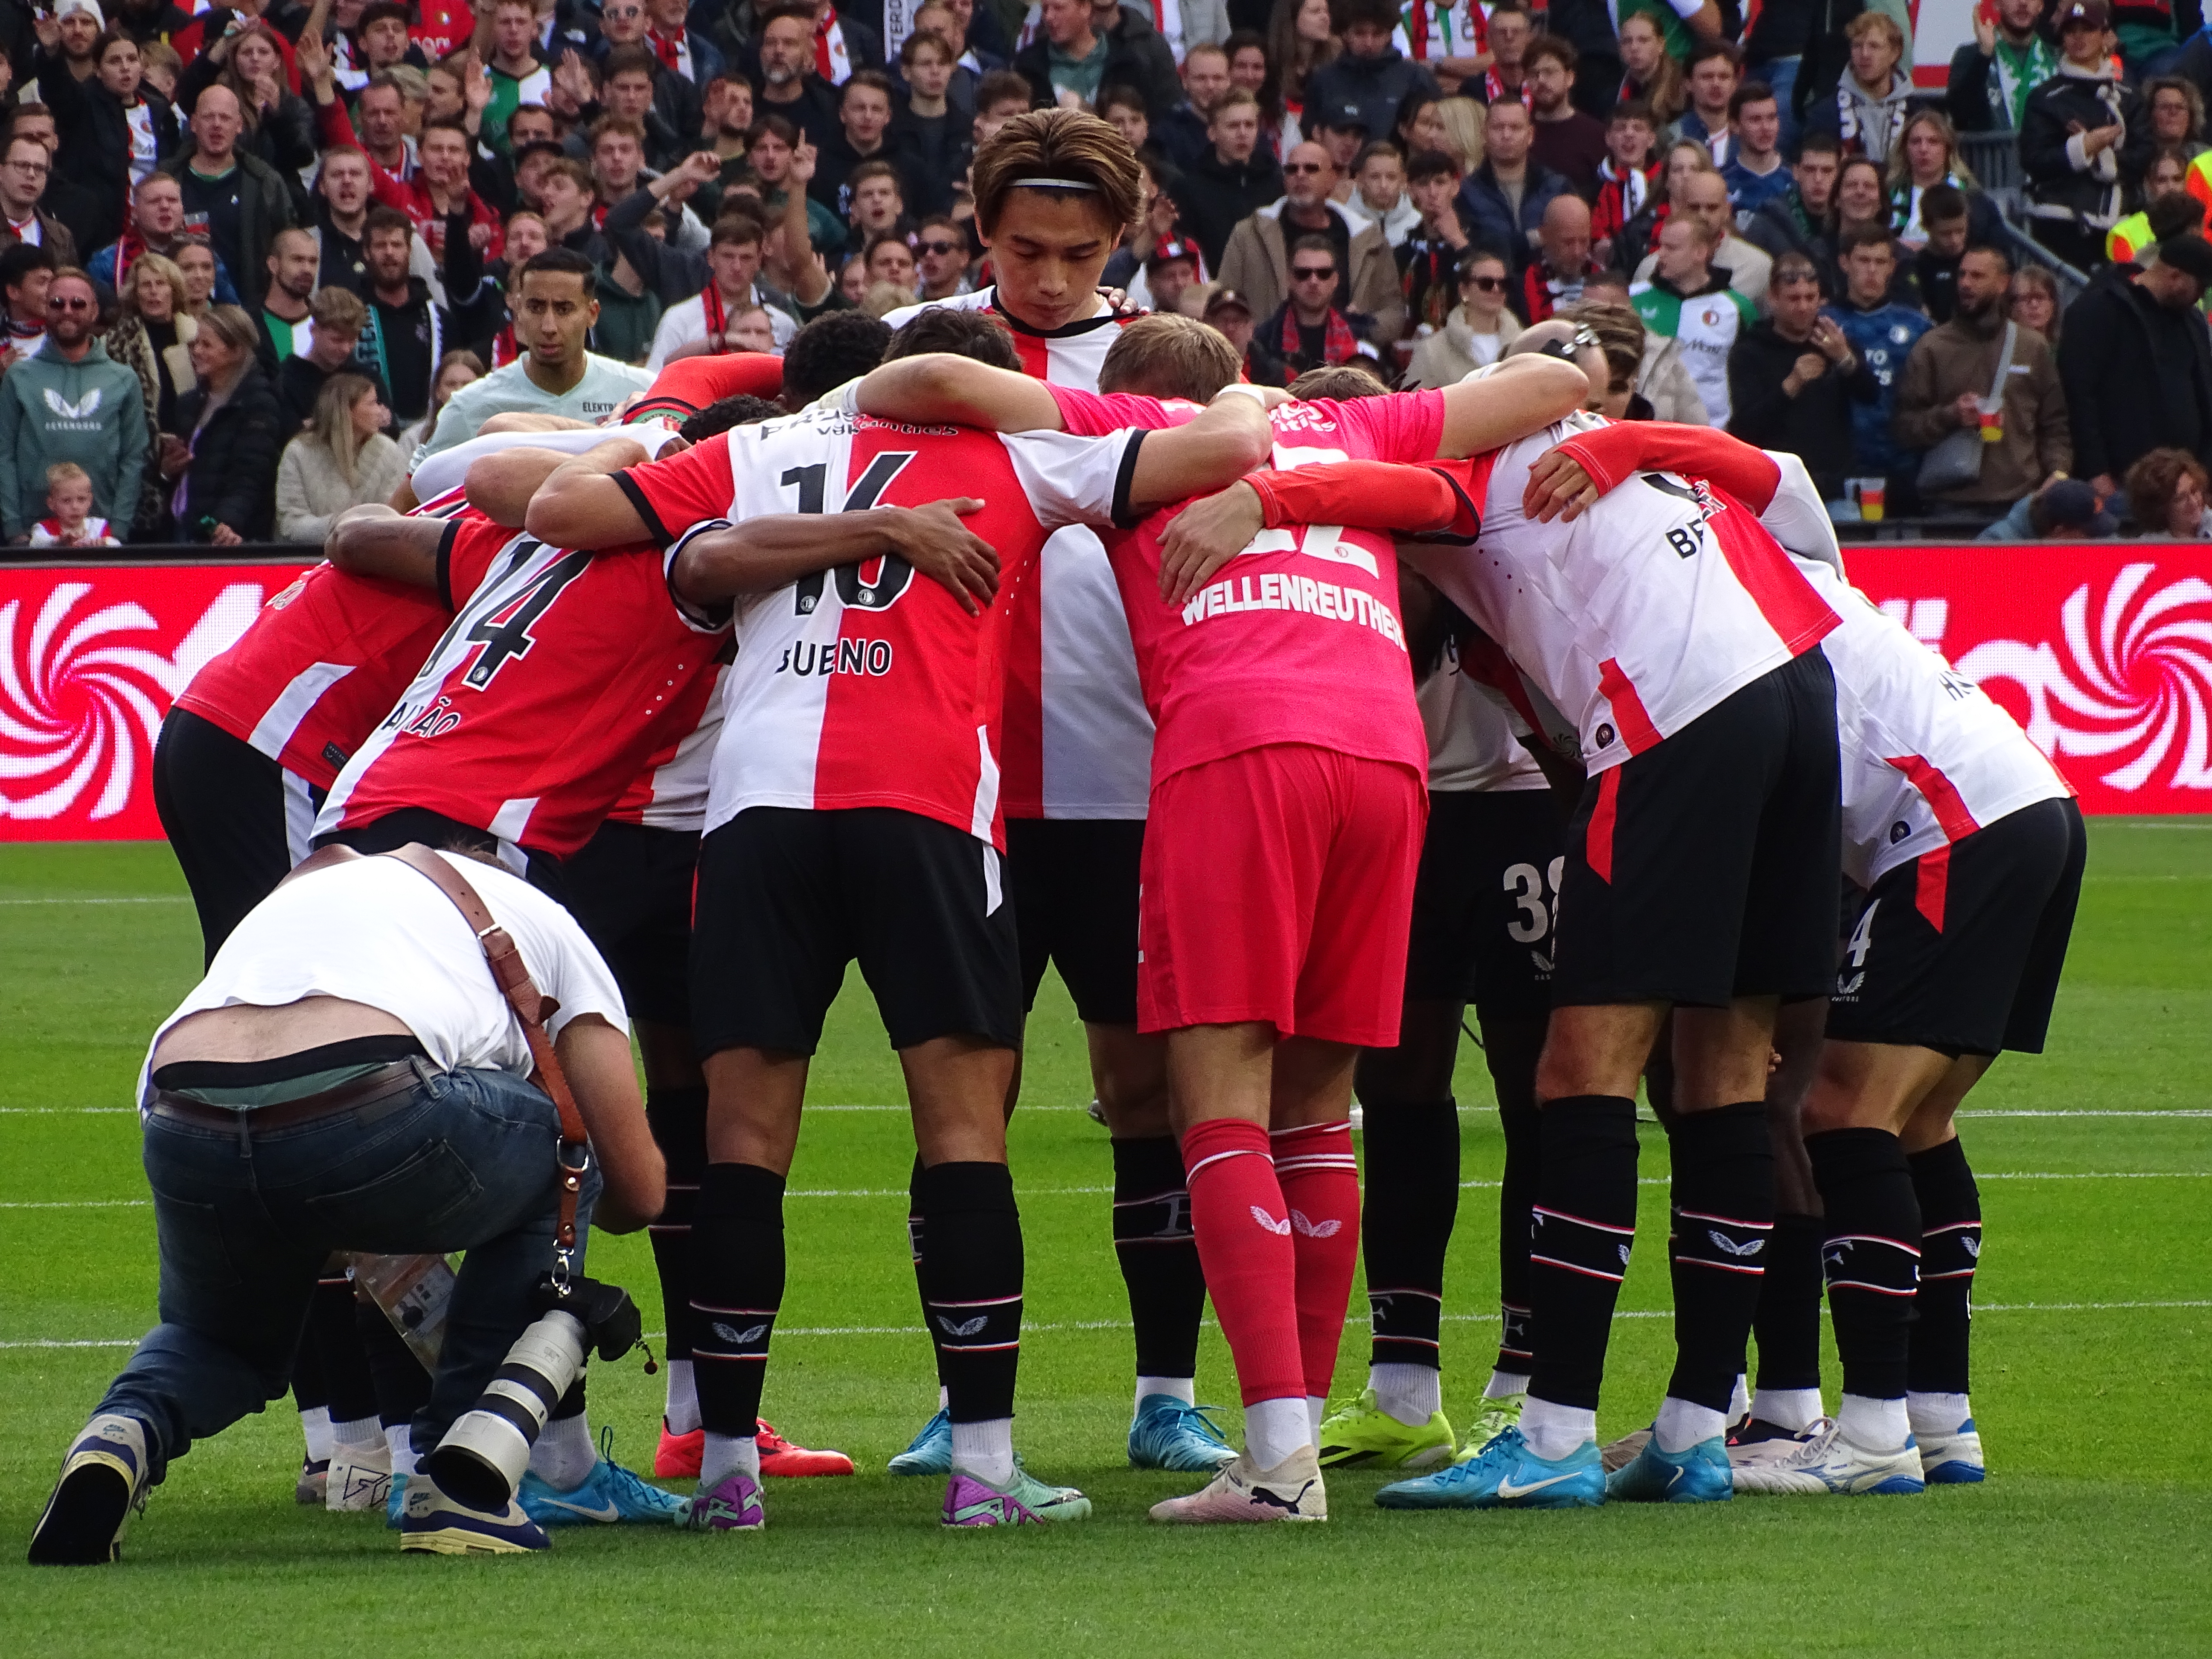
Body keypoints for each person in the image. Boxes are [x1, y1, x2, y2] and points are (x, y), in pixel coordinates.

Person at [519, 318, 1275, 1533]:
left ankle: (726, 1477)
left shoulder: (768, 444)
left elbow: (563, 513)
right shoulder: (1024, 448)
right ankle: (983, 1474)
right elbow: (1223, 445)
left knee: (743, 1144)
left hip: (758, 812)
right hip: (926, 804)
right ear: (986, 385)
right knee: (964, 1134)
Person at [852, 317, 1592, 1524]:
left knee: (1219, 1099)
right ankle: (1288, 1443)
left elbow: (933, 380)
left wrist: (823, 394)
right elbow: (1558, 378)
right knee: (1317, 1108)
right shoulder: (1351, 423)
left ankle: (1276, 1459)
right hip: (1387, 765)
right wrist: (1304, 489)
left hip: (1239, 747)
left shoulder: (1132, 428)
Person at [1165, 321, 1847, 1516]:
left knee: (1583, 1068)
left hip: (1677, 706)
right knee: (1724, 1071)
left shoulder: (1471, 473)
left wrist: (1266, 498)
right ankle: (1694, 1428)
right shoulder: (1581, 443)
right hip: (1796, 681)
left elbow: (1406, 482)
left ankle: (1551, 1436)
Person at [871, 111, 1245, 1479]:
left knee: (1145, 1091)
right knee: (961, 1101)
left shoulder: (1162, 364)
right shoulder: (925, 352)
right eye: (1024, 250)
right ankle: (957, 1402)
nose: (1047, 277)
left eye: (1077, 254)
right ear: (979, 234)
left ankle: (1165, 1389)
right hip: (953, 787)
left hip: (1127, 782)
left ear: (1122, 246)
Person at [23, 824, 664, 1563]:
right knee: (566, 1147)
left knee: (221, 1337)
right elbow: (636, 1189)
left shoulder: (311, 890)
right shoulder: (537, 914)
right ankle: (458, 1478)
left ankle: (122, 1429)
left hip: (183, 1114)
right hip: (369, 1097)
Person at [410, 247, 654, 469]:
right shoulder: (469, 407)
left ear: (592, 314)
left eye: (564, 309)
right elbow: (415, 493)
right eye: (536, 308)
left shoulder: (642, 391)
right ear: (518, 308)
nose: (549, 327)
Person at [1893, 244, 2072, 520]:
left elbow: (2055, 424)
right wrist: (1951, 415)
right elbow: (1904, 429)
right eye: (1962, 275)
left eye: (1977, 277)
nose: (1965, 284)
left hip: (2021, 504)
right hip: (1950, 505)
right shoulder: (1932, 348)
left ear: (2003, 284)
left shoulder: (2032, 347)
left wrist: (2059, 474)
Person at [0, 265, 150, 543]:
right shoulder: (19, 377)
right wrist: (14, 529)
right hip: (35, 534)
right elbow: (4, 455)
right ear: (46, 309)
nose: (67, 311)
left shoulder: (123, 378)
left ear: (94, 311)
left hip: (102, 533)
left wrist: (117, 530)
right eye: (58, 303)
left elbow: (133, 459)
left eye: (78, 304)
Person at [2057, 231, 2212, 493]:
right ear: (2175, 277)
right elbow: (2079, 395)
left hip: (2186, 485)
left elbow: (2206, 395)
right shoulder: (2099, 310)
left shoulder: (2192, 322)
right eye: (2199, 288)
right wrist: (2096, 470)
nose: (2200, 297)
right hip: (2121, 483)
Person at [1219, 140, 1403, 345]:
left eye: (1311, 169)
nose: (1300, 175)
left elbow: (1394, 310)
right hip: (1269, 362)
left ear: (1332, 180)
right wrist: (1256, 342)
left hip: (1347, 360)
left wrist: (1363, 329)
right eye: (1292, 169)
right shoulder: (1248, 234)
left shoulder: (1368, 239)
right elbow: (1224, 302)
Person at [1728, 251, 1877, 500]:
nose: (1804, 307)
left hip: (1832, 490)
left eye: (1811, 298)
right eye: (1794, 299)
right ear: (1773, 298)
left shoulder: (1835, 343)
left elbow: (1871, 395)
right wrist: (1791, 385)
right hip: (1774, 490)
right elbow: (1745, 428)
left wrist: (1845, 359)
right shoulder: (1749, 351)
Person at [2022, 0, 2150, 272]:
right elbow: (2034, 160)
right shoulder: (2044, 98)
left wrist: (2100, 155)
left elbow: (2144, 154)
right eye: (2071, 31)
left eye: (2088, 29)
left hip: (2122, 224)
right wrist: (2081, 148)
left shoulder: (2129, 95)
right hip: (2062, 225)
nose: (2079, 38)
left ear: (2106, 37)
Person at [38, 26, 178, 255]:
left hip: (154, 227)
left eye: (132, 59)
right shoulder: (84, 104)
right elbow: (58, 93)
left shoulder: (159, 108)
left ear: (142, 66)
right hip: (104, 231)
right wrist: (52, 54)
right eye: (114, 61)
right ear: (98, 70)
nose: (125, 68)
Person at [167, 83, 296, 313]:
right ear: (194, 124)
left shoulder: (265, 182)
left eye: (225, 118)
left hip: (248, 313)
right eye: (209, 117)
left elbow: (286, 247)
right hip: (178, 312)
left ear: (239, 126)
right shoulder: (168, 180)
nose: (217, 125)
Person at [1824, 224, 1932, 498]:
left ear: (1892, 267)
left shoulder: (1919, 328)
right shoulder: (1823, 323)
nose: (1871, 271)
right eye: (1863, 261)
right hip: (1842, 463)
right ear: (1844, 263)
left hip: (1905, 464)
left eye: (1880, 262)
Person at [1633, 212, 1756, 426]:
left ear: (1700, 252)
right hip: (1649, 427)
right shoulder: (1636, 298)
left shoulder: (1737, 308)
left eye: (1672, 248)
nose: (1661, 255)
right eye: (1661, 246)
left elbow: (1750, 376)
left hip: (1712, 432)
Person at [276, 373, 405, 541]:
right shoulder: (298, 453)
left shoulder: (389, 451)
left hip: (373, 557)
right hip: (310, 556)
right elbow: (289, 523)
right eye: (373, 403)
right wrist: (336, 524)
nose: (380, 411)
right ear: (347, 411)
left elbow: (397, 516)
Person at [1304, 0, 1442, 154]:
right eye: (1360, 33)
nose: (1369, 43)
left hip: (1398, 172)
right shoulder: (1324, 80)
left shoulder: (1416, 78)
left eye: (1377, 34)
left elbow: (1436, 134)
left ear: (1390, 35)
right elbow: (1310, 135)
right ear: (1345, 34)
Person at [1631, 160, 1772, 309]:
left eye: (1712, 208)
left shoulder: (1758, 267)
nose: (1703, 216)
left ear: (1727, 211)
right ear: (1678, 209)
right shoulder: (1650, 269)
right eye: (1694, 207)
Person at [1173, 87, 1284, 271]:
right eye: (1233, 126)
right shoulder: (1188, 190)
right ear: (1212, 133)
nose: (1243, 133)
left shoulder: (1277, 182)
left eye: (1249, 125)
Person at [1458, 99, 1571, 279]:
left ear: (1531, 135)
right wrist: (1533, 238)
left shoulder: (1557, 187)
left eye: (1516, 128)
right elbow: (1480, 249)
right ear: (1484, 134)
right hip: (1493, 286)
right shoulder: (1466, 193)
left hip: (1548, 286)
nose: (1507, 135)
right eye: (1498, 128)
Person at [87, 172, 242, 300]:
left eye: (173, 200)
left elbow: (232, 311)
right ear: (135, 213)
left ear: (182, 208)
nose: (165, 207)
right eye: (154, 202)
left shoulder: (204, 255)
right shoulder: (107, 263)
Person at [1807, 11, 1911, 166]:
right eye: (1857, 46)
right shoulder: (1825, 115)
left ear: (1895, 53)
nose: (1865, 54)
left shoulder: (1916, 115)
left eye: (1874, 46)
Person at [1406, 246, 1520, 386]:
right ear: (1463, 290)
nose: (1496, 289)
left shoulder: (1525, 344)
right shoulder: (1433, 351)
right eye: (1486, 284)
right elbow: (1414, 402)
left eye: (1504, 284)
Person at [273, 286, 379, 434]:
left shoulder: (367, 377)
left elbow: (389, 428)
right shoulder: (287, 381)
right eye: (337, 340)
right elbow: (289, 434)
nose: (346, 349)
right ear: (314, 330)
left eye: (353, 339)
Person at [1947, 0, 2057, 135]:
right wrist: (1984, 56)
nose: (2023, 2)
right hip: (1990, 155)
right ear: (1997, 4)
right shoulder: (1970, 56)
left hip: (2042, 155)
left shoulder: (2057, 59)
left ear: (2041, 6)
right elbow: (1959, 116)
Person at [1399, 146, 1469, 337]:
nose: (1432, 192)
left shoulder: (1482, 239)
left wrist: (1458, 241)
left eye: (1440, 182)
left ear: (1455, 187)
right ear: (1411, 190)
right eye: (1423, 184)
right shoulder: (1403, 252)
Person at [1526, 36, 1608, 197]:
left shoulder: (1595, 134)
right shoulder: (1519, 131)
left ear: (1570, 78)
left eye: (1549, 72)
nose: (1541, 81)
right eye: (1534, 74)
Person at [1744, 131, 1839, 263]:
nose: (1818, 179)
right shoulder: (1768, 222)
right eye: (1810, 170)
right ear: (1796, 172)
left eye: (1827, 171)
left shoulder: (1848, 221)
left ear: (1839, 174)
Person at [1592, 101, 1661, 269]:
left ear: (1651, 139)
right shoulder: (1594, 188)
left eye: (1638, 128)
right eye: (1621, 128)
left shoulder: (1664, 186)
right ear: (1608, 138)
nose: (1629, 134)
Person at [1516, 193, 1604, 325]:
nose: (1577, 252)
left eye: (1584, 241)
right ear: (1544, 235)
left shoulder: (1605, 279)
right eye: (1568, 243)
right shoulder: (1519, 288)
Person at [0, 132, 80, 266]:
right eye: (22, 166)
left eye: (39, 168)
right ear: (1, 172)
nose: (31, 174)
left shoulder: (61, 236)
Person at [1722, 81, 1792, 219]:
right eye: (1755, 120)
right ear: (1735, 125)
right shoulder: (1722, 183)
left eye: (1771, 118)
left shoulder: (1795, 178)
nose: (1765, 128)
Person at [256, 226, 323, 364]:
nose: (307, 269)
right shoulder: (247, 324)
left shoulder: (325, 322)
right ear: (273, 265)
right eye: (298, 260)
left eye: (313, 262)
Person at [2122, 445, 2212, 537]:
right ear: (2161, 510)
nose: (2194, 502)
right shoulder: (2149, 547)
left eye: (2194, 491)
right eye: (2180, 499)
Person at [26, 460, 120, 546]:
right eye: (66, 501)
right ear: (52, 504)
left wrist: (104, 543)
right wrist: (59, 541)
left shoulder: (98, 526)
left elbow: (117, 545)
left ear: (90, 501)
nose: (75, 507)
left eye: (81, 499)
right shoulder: (44, 528)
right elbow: (36, 544)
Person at [1676, 41, 1741, 165]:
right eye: (1707, 77)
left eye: (1724, 77)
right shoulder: (1672, 137)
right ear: (1688, 83)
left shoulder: (1748, 136)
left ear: (1735, 83)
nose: (1716, 84)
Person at [2005, 263, 2062, 346]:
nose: (2034, 305)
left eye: (2040, 298)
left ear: (2053, 304)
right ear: (2012, 306)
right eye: (2025, 298)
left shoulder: (2064, 350)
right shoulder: (2001, 348)